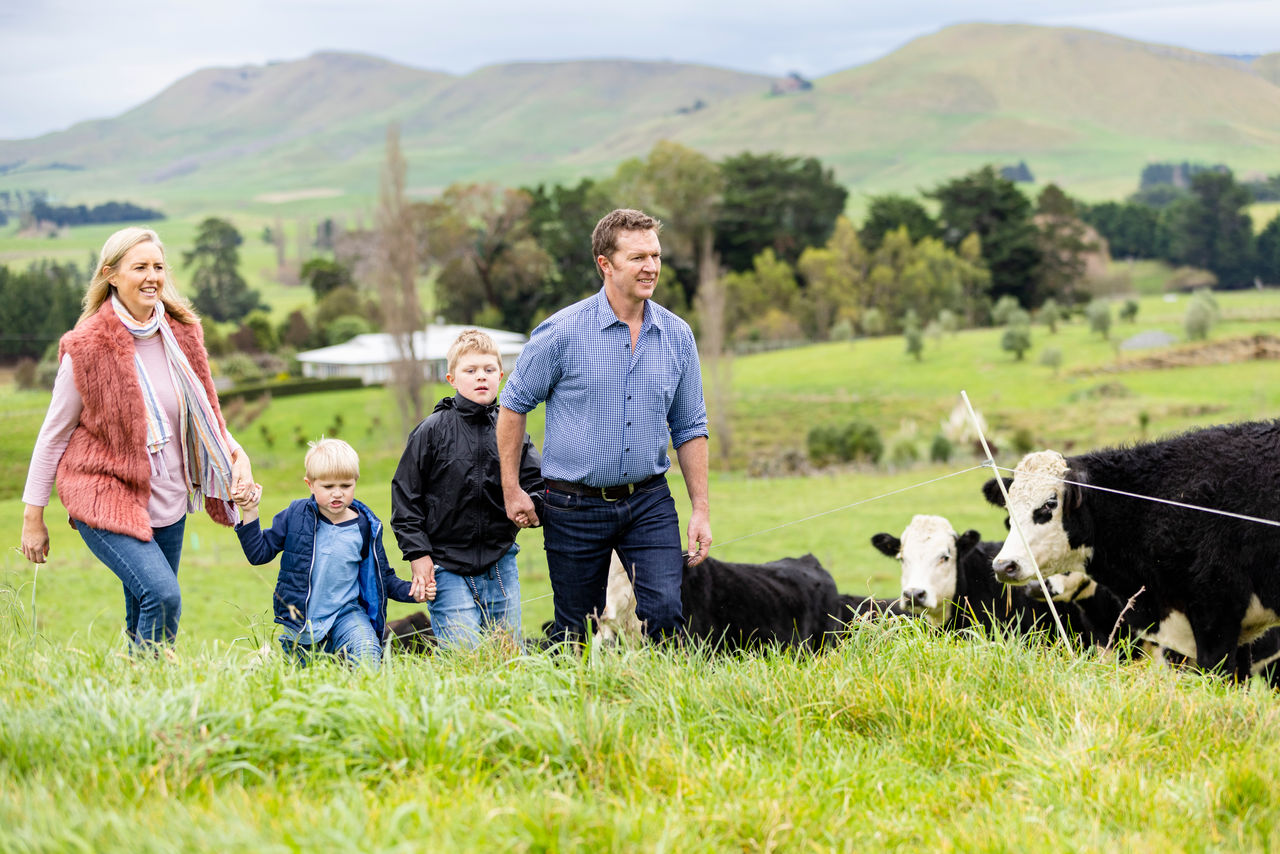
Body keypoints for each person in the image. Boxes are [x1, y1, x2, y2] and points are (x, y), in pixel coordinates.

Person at [20, 226, 254, 650]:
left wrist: (239, 456)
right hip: (103, 493)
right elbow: (52, 437)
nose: (152, 277)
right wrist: (32, 518)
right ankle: (150, 687)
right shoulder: (86, 349)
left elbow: (203, 412)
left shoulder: (182, 334)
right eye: (140, 267)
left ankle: (139, 694)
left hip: (168, 497)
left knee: (144, 609)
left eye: (158, 267)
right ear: (111, 274)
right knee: (163, 596)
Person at [497, 208, 711, 643]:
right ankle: (578, 706)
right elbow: (513, 405)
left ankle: (658, 705)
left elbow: (690, 425)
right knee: (575, 632)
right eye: (637, 257)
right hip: (572, 507)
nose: (651, 267)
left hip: (648, 502)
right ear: (605, 264)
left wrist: (701, 509)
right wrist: (512, 487)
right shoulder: (561, 333)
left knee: (666, 613)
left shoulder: (677, 335)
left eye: (655, 255)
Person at [391, 329, 545, 649]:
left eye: (489, 370)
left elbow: (536, 481)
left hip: (501, 561)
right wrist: (417, 553)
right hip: (446, 566)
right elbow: (405, 496)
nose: (481, 378)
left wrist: (536, 506)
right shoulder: (431, 431)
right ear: (452, 378)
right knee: (464, 656)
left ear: (501, 375)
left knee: (507, 655)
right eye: (470, 371)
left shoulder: (510, 427)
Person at [235, 438, 423, 668]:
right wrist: (250, 511)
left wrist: (413, 592)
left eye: (345, 486)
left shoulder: (366, 527)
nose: (337, 494)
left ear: (355, 482)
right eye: (328, 487)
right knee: (306, 678)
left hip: (347, 614)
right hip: (303, 624)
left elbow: (384, 579)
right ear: (310, 484)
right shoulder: (295, 516)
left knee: (368, 650)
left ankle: (368, 696)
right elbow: (258, 553)